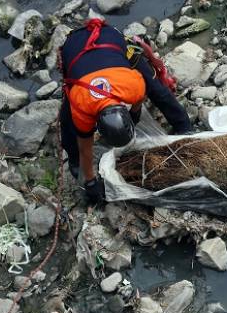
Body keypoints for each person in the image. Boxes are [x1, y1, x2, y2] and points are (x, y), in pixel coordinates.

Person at [59, 18, 192, 203]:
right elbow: (85, 147)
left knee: (155, 88)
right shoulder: (81, 103)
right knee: (66, 122)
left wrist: (135, 115)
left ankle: (184, 125)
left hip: (109, 37)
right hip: (74, 46)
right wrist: (90, 181)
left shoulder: (133, 85)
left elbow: (139, 100)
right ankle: (73, 161)